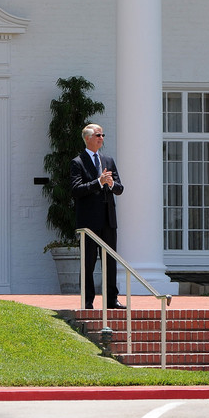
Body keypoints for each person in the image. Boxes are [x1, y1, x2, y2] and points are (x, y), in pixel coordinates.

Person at [70, 122, 124, 311]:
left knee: (110, 262)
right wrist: (98, 182)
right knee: (88, 263)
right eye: (98, 135)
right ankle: (87, 301)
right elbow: (76, 190)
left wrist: (110, 183)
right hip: (89, 222)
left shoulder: (108, 160)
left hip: (109, 219)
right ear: (87, 138)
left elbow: (120, 189)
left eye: (102, 135)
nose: (101, 138)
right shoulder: (78, 162)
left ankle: (111, 300)